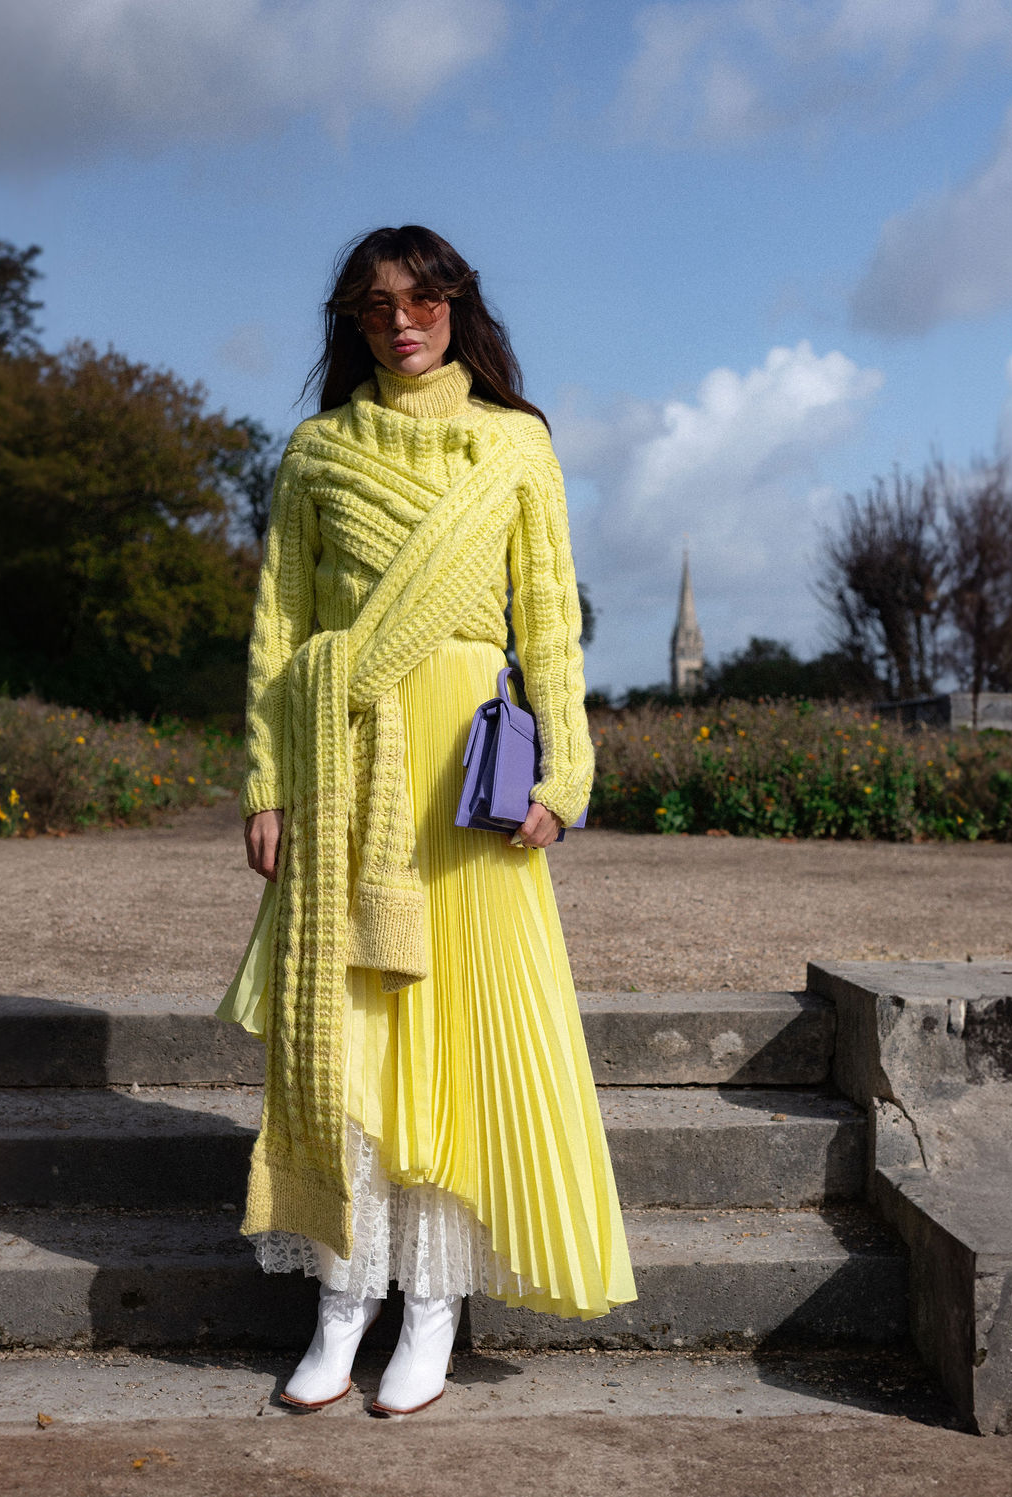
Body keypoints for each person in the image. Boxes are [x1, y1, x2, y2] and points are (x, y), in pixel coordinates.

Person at [216, 224, 637, 1418]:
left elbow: (547, 621)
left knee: (451, 1036)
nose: (400, 321)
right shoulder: (314, 453)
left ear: (458, 304)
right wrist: (265, 784)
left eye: (421, 299)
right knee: (343, 1040)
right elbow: (278, 627)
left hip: (464, 772)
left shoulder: (517, 444)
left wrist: (564, 778)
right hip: (340, 754)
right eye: (374, 306)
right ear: (352, 323)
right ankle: (341, 1303)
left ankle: (435, 1306)